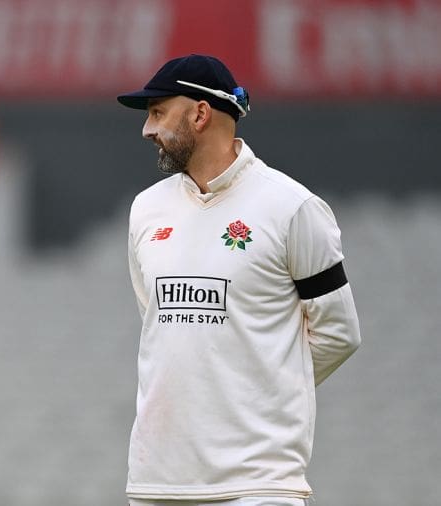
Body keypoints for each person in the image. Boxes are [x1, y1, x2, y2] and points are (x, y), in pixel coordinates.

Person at [116, 54, 361, 506]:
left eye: (157, 113)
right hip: (158, 483)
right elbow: (159, 327)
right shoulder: (146, 210)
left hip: (258, 485)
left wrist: (260, 389)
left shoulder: (292, 208)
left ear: (200, 113)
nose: (147, 130)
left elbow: (340, 332)